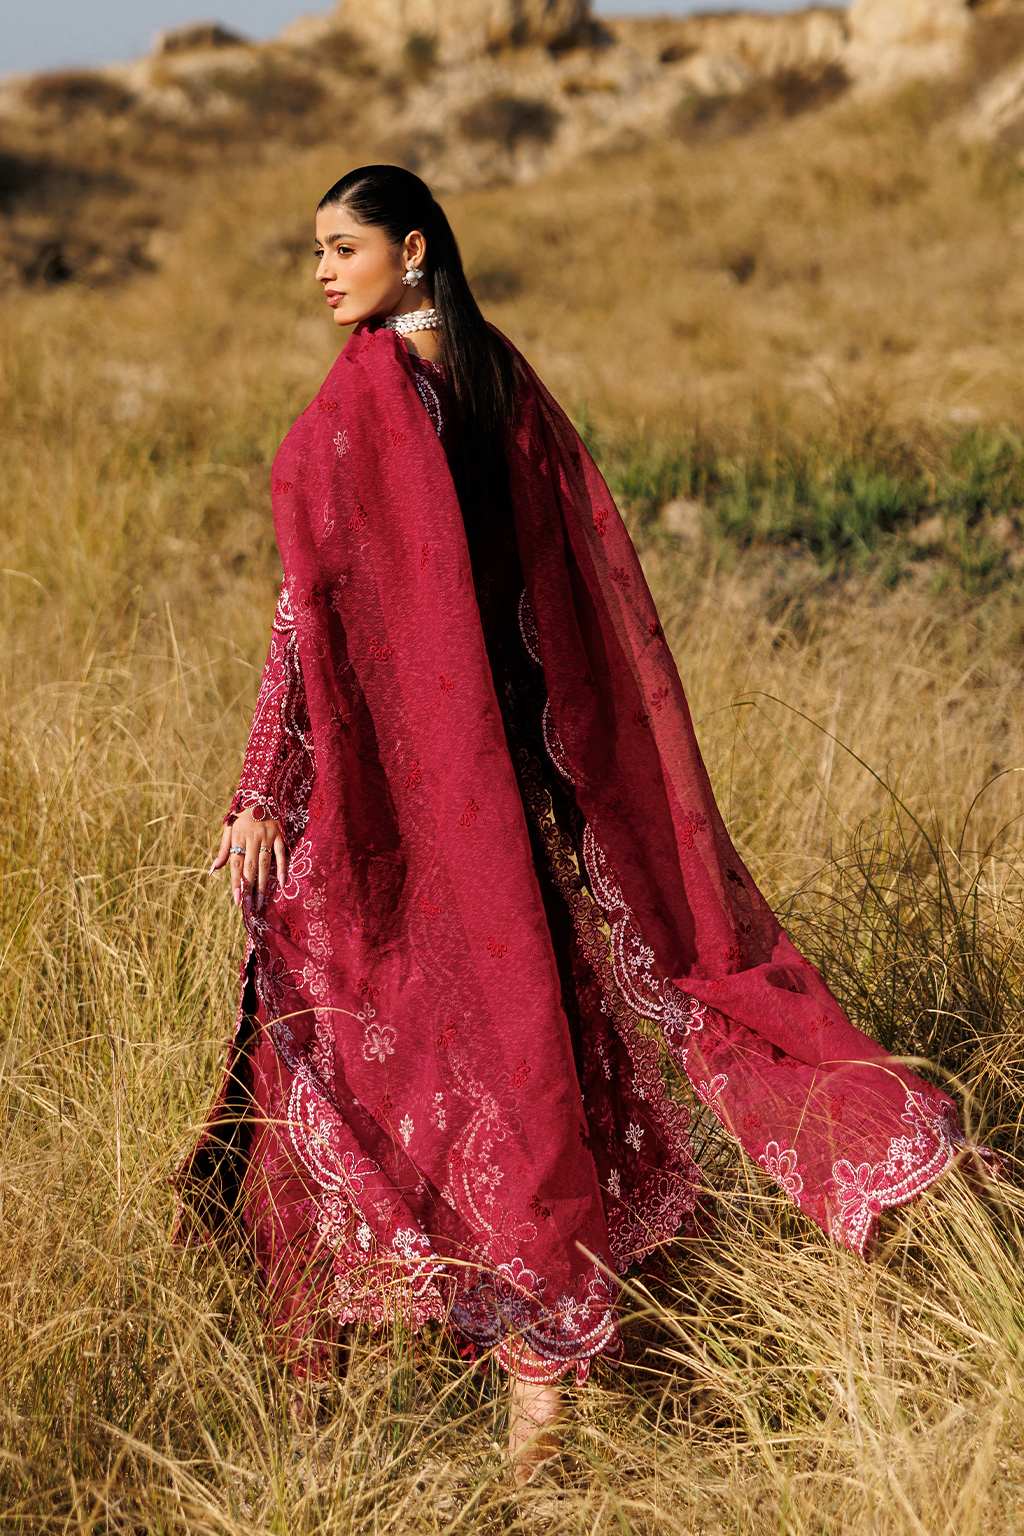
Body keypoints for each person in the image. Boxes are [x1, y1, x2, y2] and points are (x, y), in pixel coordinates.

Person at [179, 164, 987, 1484]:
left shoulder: (383, 404)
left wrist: (263, 789)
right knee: (519, 1060)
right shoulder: (490, 380)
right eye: (314, 251)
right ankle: (515, 1421)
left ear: (414, 248)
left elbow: (302, 612)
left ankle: (475, 1410)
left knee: (387, 1048)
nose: (321, 273)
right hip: (500, 790)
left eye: (342, 248)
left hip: (417, 809)